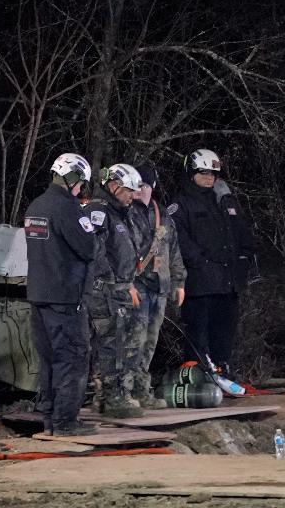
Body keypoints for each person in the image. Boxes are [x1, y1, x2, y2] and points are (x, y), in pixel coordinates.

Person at [22, 153, 99, 436]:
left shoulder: (36, 206)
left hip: (39, 296)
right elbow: (88, 248)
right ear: (72, 179)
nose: (81, 190)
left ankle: (50, 419)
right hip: (65, 299)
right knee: (73, 358)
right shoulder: (67, 209)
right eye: (81, 184)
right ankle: (66, 422)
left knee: (49, 360)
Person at [172, 147, 253, 377]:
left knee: (224, 330)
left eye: (213, 174)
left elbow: (242, 233)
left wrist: (244, 257)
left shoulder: (225, 201)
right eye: (203, 173)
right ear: (191, 173)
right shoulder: (181, 203)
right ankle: (197, 375)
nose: (209, 178)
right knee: (198, 332)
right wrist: (199, 261)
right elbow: (178, 238)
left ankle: (222, 370)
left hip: (227, 281)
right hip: (199, 282)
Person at [85, 162, 144, 419]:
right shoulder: (99, 211)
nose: (133, 195)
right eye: (129, 190)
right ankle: (112, 396)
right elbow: (95, 251)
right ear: (113, 186)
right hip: (105, 292)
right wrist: (110, 281)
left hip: (120, 288)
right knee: (111, 344)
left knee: (121, 343)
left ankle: (110, 395)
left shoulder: (122, 212)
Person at [129, 164, 186, 408]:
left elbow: (174, 252)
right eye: (137, 185)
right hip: (136, 286)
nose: (140, 190)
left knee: (150, 341)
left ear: (152, 187)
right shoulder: (126, 213)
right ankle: (125, 391)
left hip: (159, 287)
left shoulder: (163, 215)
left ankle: (142, 389)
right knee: (134, 340)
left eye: (144, 185)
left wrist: (179, 282)